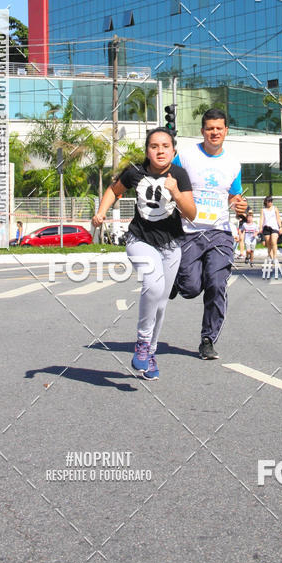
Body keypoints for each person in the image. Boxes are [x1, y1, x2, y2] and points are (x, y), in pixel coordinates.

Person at [93, 128, 195, 380]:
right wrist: (102, 211)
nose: (160, 151)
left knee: (160, 303)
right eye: (154, 146)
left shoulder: (179, 175)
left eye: (165, 146)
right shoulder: (134, 172)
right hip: (140, 240)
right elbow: (113, 191)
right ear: (147, 150)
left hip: (171, 245)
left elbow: (191, 213)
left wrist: (177, 193)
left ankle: (149, 353)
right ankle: (142, 343)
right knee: (152, 284)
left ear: (173, 150)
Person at [171, 108, 247, 360]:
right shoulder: (186, 156)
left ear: (226, 131)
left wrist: (240, 204)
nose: (215, 132)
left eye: (219, 128)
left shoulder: (233, 163)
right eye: (210, 128)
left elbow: (234, 195)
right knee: (191, 288)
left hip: (220, 232)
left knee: (216, 284)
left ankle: (208, 339)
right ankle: (177, 280)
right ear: (202, 131)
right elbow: (170, 183)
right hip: (189, 231)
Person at [260, 195, 282, 261]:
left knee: (273, 241)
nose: (270, 203)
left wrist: (280, 227)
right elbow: (262, 219)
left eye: (271, 201)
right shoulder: (263, 210)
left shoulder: (275, 209)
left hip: (274, 227)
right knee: (268, 242)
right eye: (269, 201)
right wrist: (260, 227)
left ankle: (275, 257)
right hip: (266, 227)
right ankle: (271, 256)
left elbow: (278, 218)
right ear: (266, 202)